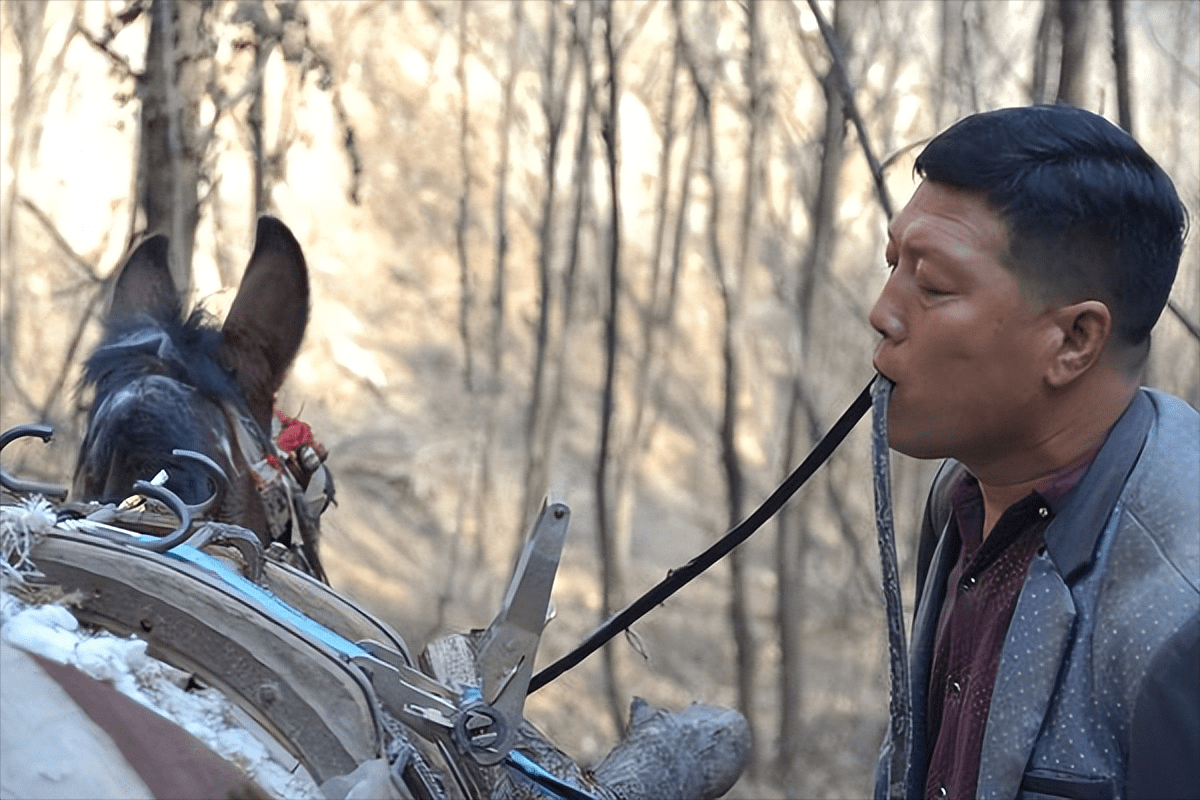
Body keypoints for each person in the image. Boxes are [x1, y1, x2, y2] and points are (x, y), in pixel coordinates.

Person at [867, 104, 1198, 800]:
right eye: (894, 263)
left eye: (931, 286)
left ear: (1074, 340)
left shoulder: (1180, 612)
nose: (883, 312)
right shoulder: (961, 496)